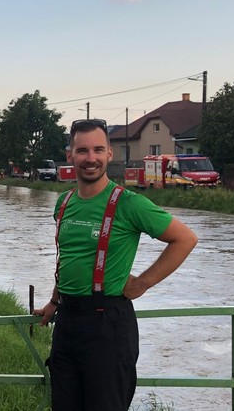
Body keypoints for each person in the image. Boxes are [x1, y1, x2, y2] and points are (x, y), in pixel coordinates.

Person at [32, 119, 198, 411]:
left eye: (98, 149)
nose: (91, 158)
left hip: (108, 325)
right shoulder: (64, 202)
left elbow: (184, 239)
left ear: (110, 153)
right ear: (70, 156)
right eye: (82, 151)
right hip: (68, 324)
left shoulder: (129, 203)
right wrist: (54, 301)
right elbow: (70, 258)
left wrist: (143, 283)